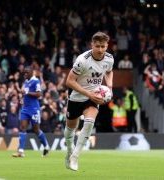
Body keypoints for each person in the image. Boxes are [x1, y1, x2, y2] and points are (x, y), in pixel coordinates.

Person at [64, 32, 114, 171]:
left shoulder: (109, 59)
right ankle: (69, 150)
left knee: (89, 122)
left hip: (94, 97)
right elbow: (69, 81)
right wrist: (88, 94)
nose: (100, 50)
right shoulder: (82, 60)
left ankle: (75, 156)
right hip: (76, 97)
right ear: (92, 45)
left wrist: (109, 87)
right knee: (69, 131)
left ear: (107, 46)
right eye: (97, 46)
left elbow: (109, 71)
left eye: (103, 46)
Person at [12, 67, 50, 157]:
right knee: (22, 127)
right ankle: (21, 151)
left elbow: (38, 94)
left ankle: (46, 146)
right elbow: (24, 93)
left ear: (31, 73)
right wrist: (22, 99)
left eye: (26, 73)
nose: (25, 74)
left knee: (36, 130)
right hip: (25, 108)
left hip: (34, 109)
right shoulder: (26, 82)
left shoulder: (36, 81)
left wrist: (28, 93)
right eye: (24, 73)